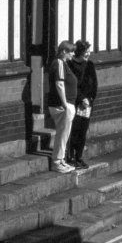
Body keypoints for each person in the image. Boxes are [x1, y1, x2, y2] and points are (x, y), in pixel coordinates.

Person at [46, 40, 76, 172]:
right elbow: (59, 84)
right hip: (61, 105)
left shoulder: (64, 64)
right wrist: (65, 104)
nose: (73, 54)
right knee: (62, 134)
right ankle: (57, 161)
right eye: (71, 51)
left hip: (66, 104)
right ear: (64, 51)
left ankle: (61, 159)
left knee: (64, 133)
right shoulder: (59, 63)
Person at [66, 41, 96, 169]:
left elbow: (94, 84)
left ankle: (79, 157)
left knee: (83, 131)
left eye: (89, 51)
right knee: (74, 130)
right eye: (86, 51)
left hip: (87, 104)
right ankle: (71, 156)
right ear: (80, 51)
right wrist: (81, 99)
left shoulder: (90, 65)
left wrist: (89, 99)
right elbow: (72, 85)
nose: (88, 54)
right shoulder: (70, 64)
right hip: (75, 102)